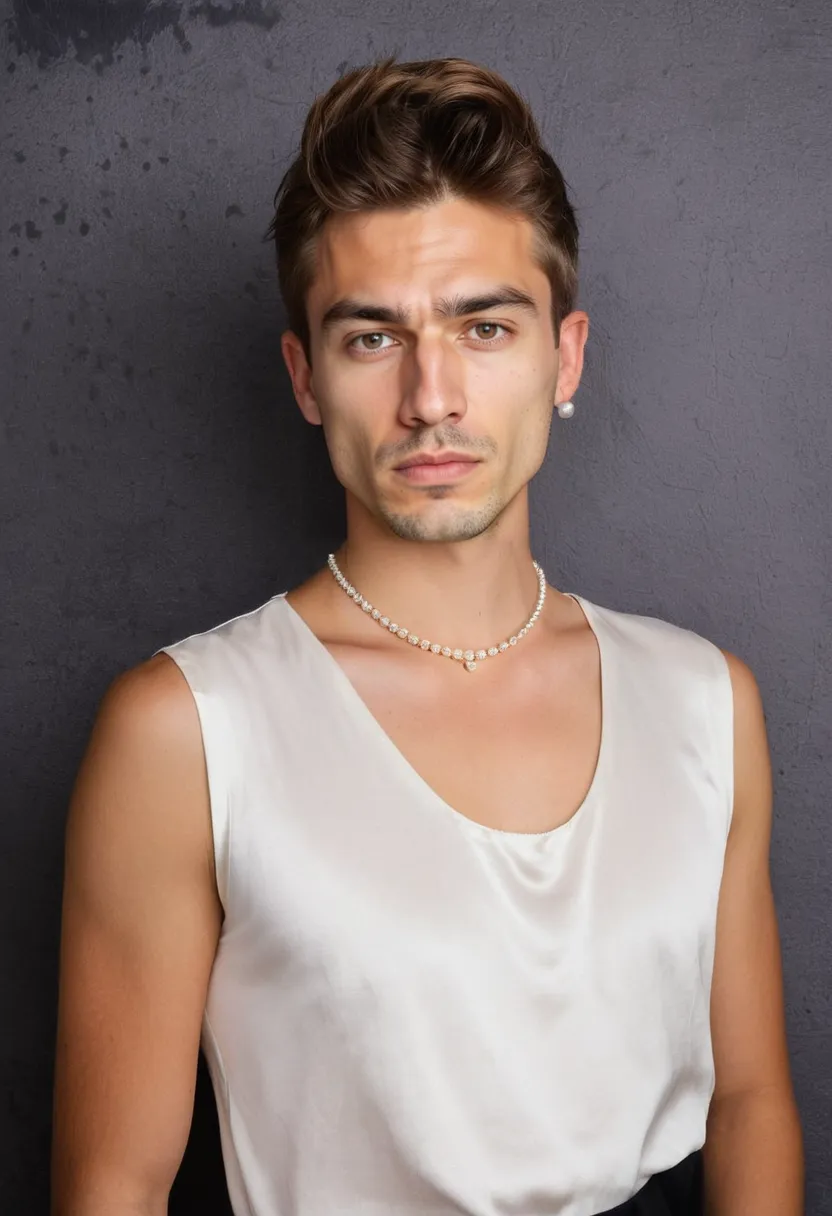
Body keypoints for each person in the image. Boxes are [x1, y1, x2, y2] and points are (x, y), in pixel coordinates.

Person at [51, 55, 804, 1216]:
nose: (431, 396)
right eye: (370, 338)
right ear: (305, 376)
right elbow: (111, 1183)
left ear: (566, 356)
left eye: (484, 327)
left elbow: (750, 1098)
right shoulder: (187, 732)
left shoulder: (707, 701)